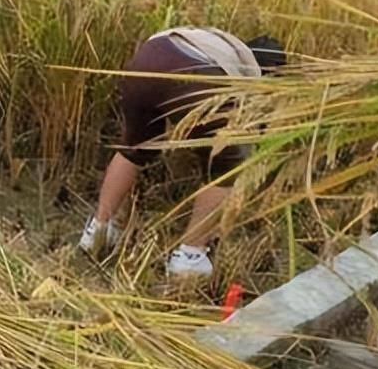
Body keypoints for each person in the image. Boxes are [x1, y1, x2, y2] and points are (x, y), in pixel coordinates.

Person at [79, 27, 287, 278]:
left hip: (145, 61)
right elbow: (248, 137)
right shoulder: (251, 73)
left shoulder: (222, 44)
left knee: (134, 148)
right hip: (196, 78)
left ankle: (99, 230)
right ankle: (190, 257)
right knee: (225, 168)